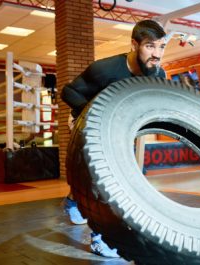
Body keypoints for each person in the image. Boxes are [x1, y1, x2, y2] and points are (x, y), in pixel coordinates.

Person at [61, 19, 167, 257]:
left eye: (162, 47)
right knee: (104, 182)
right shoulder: (105, 69)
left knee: (105, 180)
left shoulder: (158, 74)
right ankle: (101, 239)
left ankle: (73, 200)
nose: (157, 54)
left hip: (120, 128)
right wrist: (93, 117)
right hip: (86, 121)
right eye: (150, 46)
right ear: (134, 44)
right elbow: (68, 91)